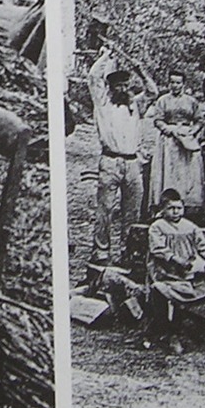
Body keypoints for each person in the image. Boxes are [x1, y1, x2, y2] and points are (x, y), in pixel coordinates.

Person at [87, 49, 148, 269]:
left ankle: (127, 250)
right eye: (118, 85)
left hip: (132, 163)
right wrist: (106, 56)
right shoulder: (103, 104)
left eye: (126, 85)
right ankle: (101, 251)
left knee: (132, 210)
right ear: (110, 87)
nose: (122, 89)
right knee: (105, 208)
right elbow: (94, 77)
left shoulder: (135, 105)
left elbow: (152, 90)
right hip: (110, 161)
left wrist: (140, 70)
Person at [142, 189, 205, 351]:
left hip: (187, 273)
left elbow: (203, 244)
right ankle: (170, 333)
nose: (175, 212)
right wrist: (176, 259)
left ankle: (200, 332)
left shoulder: (189, 227)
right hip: (165, 273)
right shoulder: (157, 227)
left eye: (179, 208)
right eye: (171, 208)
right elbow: (159, 249)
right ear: (163, 209)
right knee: (163, 291)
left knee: (203, 291)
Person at [148, 71, 205, 215]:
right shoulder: (163, 100)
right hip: (169, 139)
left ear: (183, 84)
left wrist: (192, 131)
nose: (175, 85)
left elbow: (199, 120)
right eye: (172, 82)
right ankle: (166, 203)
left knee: (187, 170)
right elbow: (157, 120)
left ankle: (188, 204)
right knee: (169, 170)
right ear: (169, 83)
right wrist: (167, 129)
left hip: (187, 136)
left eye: (178, 82)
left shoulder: (191, 101)